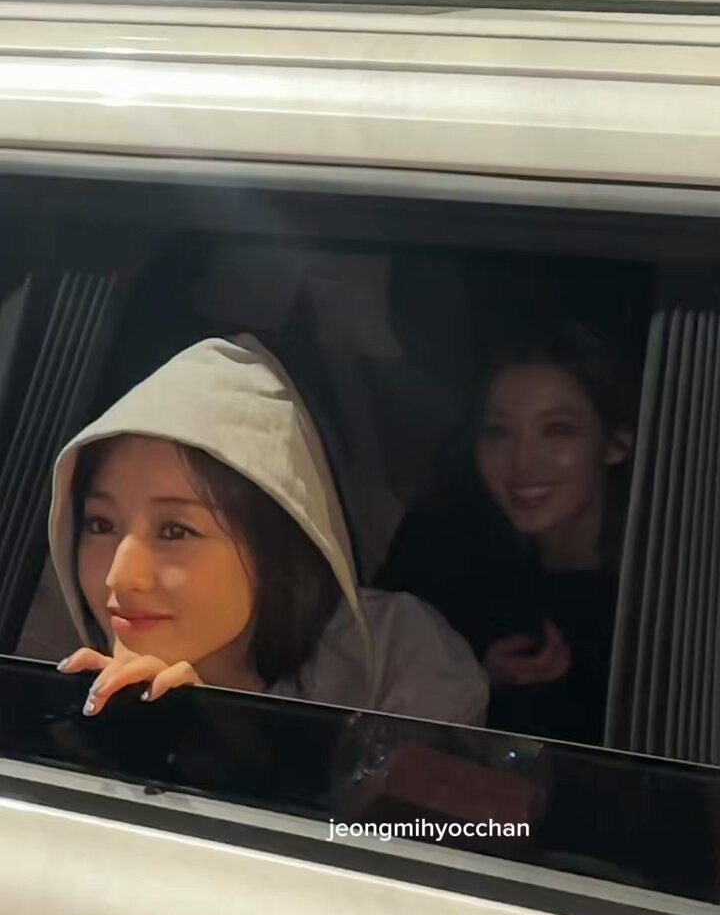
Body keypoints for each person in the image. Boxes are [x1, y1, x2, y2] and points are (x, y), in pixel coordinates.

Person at [48, 334, 488, 726]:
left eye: (176, 531)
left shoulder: (394, 661)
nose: (120, 576)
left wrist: (228, 735)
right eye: (100, 524)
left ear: (274, 542)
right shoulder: (45, 670)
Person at [379, 316, 637, 745]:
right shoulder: (443, 561)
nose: (522, 462)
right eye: (498, 431)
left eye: (557, 430)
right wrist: (476, 680)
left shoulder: (661, 600)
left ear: (616, 443)